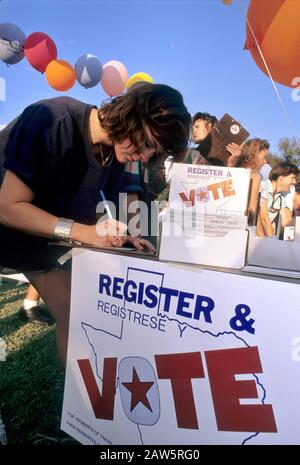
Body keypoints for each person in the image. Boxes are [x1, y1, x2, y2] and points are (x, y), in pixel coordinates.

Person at [0, 83, 191, 365]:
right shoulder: (53, 119)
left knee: (75, 313)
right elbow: (8, 207)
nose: (146, 156)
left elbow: (131, 203)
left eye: (155, 153)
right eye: (149, 145)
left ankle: (81, 407)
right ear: (132, 115)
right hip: (12, 217)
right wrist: (85, 233)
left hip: (36, 234)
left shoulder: (123, 153)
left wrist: (130, 236)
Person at [256, 161, 299, 238]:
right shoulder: (262, 186)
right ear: (281, 178)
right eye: (292, 178)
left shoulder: (280, 198)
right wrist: (273, 242)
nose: (295, 182)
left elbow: (286, 223)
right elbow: (264, 218)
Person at [234, 138, 270, 226]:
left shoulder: (233, 170)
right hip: (242, 225)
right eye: (264, 157)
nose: (265, 162)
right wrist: (250, 226)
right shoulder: (255, 176)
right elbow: (252, 208)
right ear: (254, 154)